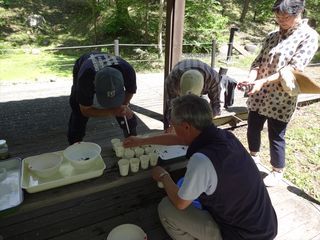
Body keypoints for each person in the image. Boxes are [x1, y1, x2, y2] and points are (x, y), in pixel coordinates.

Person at [123, 94, 278, 240]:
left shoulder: (202, 161)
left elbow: (180, 203)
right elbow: (181, 139)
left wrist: (163, 176)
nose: (173, 129)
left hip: (242, 235)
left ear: (186, 127)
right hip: (266, 224)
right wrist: (141, 141)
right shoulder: (225, 137)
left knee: (166, 207)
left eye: (174, 125)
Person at [237, 0, 318, 186]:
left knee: (276, 134)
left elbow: (292, 69)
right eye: (278, 15)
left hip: (281, 96)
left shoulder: (309, 36)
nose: (281, 19)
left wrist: (261, 82)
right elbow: (257, 62)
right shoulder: (272, 35)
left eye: (286, 16)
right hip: (258, 91)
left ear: (299, 13)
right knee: (253, 127)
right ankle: (253, 157)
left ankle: (277, 171)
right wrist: (251, 79)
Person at [67, 52, 138, 145]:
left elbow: (130, 91)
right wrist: (113, 111)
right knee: (77, 109)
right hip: (85, 65)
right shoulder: (85, 78)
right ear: (94, 87)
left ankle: (131, 137)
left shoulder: (128, 71)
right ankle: (75, 142)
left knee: (125, 111)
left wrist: (123, 107)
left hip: (111, 66)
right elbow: (85, 110)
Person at [164, 59, 221, 131]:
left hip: (206, 78)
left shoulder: (213, 80)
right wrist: (173, 126)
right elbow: (171, 107)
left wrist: (204, 124)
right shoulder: (172, 80)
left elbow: (216, 105)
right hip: (180, 70)